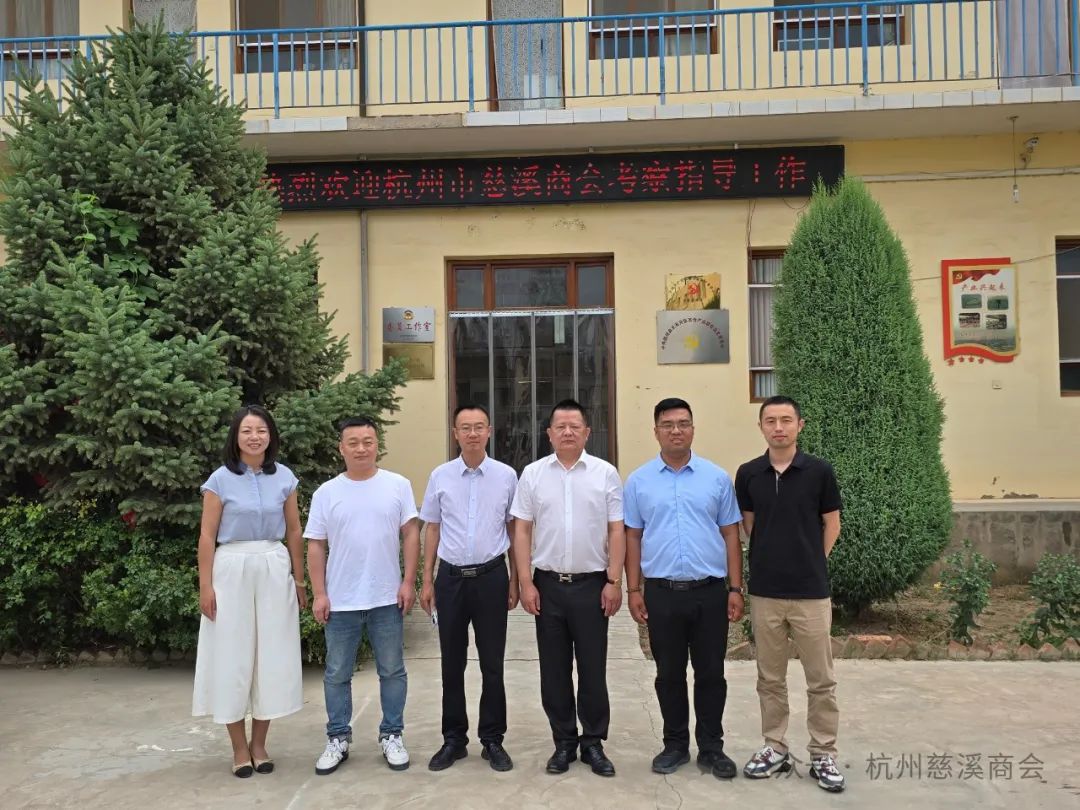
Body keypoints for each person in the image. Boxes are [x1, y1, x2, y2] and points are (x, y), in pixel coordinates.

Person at [623, 398, 744, 780]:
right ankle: (674, 745)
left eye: (683, 423)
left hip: (709, 592)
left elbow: (731, 534)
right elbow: (632, 537)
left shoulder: (716, 478)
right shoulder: (639, 481)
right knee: (669, 674)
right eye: (668, 424)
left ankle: (711, 747)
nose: (676, 430)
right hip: (662, 593)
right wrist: (633, 590)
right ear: (655, 431)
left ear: (693, 428)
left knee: (711, 673)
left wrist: (735, 588)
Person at [734, 395, 845, 793]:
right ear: (761, 427)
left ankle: (823, 752)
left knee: (821, 678)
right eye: (770, 421)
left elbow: (832, 524)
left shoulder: (819, 472)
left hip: (811, 593)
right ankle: (775, 745)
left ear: (800, 425)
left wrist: (812, 560)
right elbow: (749, 526)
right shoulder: (749, 474)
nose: (778, 427)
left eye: (786, 420)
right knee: (770, 677)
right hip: (766, 592)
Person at [510, 399, 625, 777]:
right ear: (549, 433)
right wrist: (526, 581)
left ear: (587, 432)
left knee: (593, 668)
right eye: (560, 426)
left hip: (593, 585)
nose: (568, 432)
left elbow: (616, 529)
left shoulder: (605, 473)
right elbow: (522, 529)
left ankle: (593, 742)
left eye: (575, 426)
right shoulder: (533, 474)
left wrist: (614, 581)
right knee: (554, 670)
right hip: (548, 586)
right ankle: (563, 742)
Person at [192, 405, 305, 778]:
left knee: (270, 655)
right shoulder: (220, 480)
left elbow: (293, 531)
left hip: (273, 566)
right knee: (233, 656)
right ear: (236, 437)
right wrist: (205, 586)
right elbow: (207, 535)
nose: (254, 437)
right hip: (231, 570)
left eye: (261, 430)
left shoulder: (284, 477)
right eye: (247, 431)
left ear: (270, 436)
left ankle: (259, 745)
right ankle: (239, 748)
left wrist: (300, 580)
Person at [305, 417, 421, 776]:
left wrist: (408, 581)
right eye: (353, 442)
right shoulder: (326, 493)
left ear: (377, 445)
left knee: (392, 670)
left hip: (386, 597)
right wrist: (320, 593)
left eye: (368, 441)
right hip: (341, 601)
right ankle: (338, 737)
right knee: (337, 673)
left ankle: (392, 734)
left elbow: (411, 534)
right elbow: (315, 545)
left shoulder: (397, 485)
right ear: (341, 448)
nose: (361, 448)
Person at [419, 404, 519, 772]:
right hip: (450, 580)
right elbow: (433, 527)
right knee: (452, 663)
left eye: (479, 427)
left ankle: (492, 739)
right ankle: (454, 739)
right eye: (466, 427)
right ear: (455, 433)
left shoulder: (506, 476)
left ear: (489, 431)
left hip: (492, 578)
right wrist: (426, 579)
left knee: (492, 663)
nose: (473, 433)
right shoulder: (440, 476)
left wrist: (516, 578)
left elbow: (513, 528)